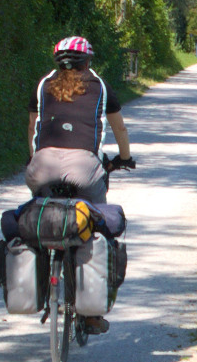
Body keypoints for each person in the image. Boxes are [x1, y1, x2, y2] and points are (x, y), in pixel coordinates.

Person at [27, 36, 133, 335]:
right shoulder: (99, 86)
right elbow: (119, 127)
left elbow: (33, 128)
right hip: (84, 169)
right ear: (87, 61)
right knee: (96, 224)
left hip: (41, 165)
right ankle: (90, 313)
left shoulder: (43, 85)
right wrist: (124, 158)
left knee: (42, 210)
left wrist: (33, 160)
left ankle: (42, 278)